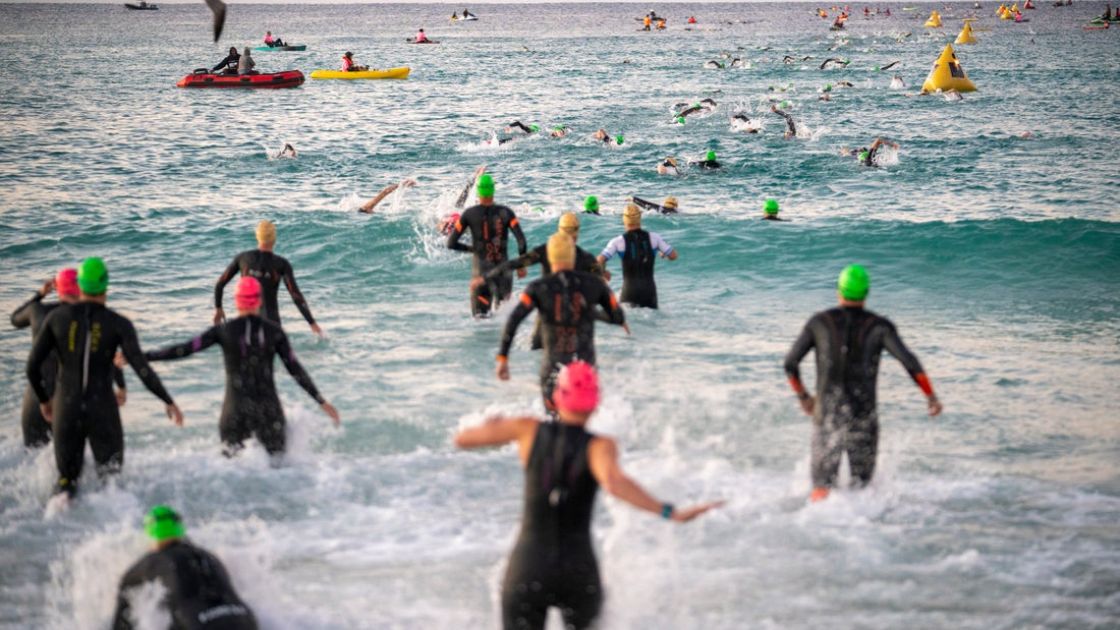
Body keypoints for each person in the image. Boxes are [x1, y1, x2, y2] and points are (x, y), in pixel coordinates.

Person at [455, 361, 721, 630]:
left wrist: (493, 424)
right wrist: (669, 512)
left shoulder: (527, 429)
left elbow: (463, 440)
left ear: (557, 397)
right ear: (595, 403)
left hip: (528, 566)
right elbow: (615, 483)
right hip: (577, 569)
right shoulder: (600, 446)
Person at [784, 265, 943, 502]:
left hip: (827, 412)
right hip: (863, 415)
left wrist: (804, 398)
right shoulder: (879, 326)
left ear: (839, 291)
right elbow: (910, 363)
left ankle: (817, 529)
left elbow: (790, 364)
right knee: (863, 491)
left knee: (821, 488)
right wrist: (931, 397)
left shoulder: (820, 322)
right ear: (866, 292)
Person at [27, 258, 183, 498]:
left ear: (80, 285)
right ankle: (115, 528)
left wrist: (44, 401)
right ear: (106, 285)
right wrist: (168, 400)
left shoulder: (56, 319)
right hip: (102, 409)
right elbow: (142, 368)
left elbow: (32, 367)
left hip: (66, 407)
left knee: (66, 482)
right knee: (111, 481)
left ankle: (56, 522)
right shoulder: (118, 323)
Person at [147, 277, 339, 457]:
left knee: (232, 474)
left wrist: (143, 356)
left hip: (234, 414)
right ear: (259, 301)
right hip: (269, 413)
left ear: (237, 301)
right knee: (279, 473)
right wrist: (321, 401)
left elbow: (185, 349)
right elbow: (295, 368)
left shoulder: (223, 331)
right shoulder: (275, 332)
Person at [497, 234, 627, 406]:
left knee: (553, 422)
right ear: (573, 256)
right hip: (584, 369)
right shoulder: (596, 285)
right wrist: (591, 312)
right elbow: (618, 317)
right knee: (582, 424)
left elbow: (514, 319)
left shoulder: (538, 287)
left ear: (550, 256)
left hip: (552, 368)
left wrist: (503, 358)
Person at [12, 270, 127, 448]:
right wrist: (119, 385)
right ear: (80, 288)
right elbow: (106, 355)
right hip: (68, 400)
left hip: (36, 398)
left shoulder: (37, 310)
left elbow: (15, 319)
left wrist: (40, 294)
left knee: (32, 459)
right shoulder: (89, 318)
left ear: (58, 288)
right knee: (72, 464)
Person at [113, 505, 258, 630]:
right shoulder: (208, 556)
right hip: (245, 619)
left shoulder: (156, 560)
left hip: (201, 625)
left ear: (151, 535)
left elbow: (125, 589)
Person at [477, 213, 604, 350]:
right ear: (577, 233)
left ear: (559, 230)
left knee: (538, 351)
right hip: (572, 318)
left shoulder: (545, 250)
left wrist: (486, 277)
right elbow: (600, 285)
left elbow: (515, 263)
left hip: (546, 315)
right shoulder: (586, 257)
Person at [213, 220, 322, 336]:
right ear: (274, 239)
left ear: (257, 236)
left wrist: (218, 308)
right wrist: (312, 323)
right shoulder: (281, 264)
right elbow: (296, 296)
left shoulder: (243, 259)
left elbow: (220, 284)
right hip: (272, 325)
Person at [446, 174, 528, 317]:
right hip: (504, 275)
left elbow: (451, 243)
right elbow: (521, 242)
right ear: (493, 190)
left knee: (481, 321)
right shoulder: (507, 213)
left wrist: (473, 249)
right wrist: (521, 265)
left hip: (481, 275)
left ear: (478, 191)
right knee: (502, 321)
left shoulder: (469, 214)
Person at [596, 204, 677, 308]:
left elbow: (600, 260)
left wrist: (603, 272)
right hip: (649, 294)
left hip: (629, 293)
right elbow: (673, 255)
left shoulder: (618, 241)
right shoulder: (654, 238)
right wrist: (663, 254)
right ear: (640, 218)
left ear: (624, 219)